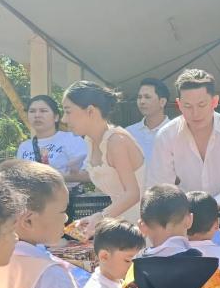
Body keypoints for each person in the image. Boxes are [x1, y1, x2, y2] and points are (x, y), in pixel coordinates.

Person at [148, 69, 220, 204]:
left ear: (215, 101)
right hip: (180, 210)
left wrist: (208, 208)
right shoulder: (166, 136)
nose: (195, 113)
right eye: (187, 106)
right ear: (179, 104)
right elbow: (161, 187)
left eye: (202, 105)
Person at [62, 81, 145, 236]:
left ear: (90, 111)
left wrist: (100, 217)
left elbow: (133, 193)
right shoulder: (90, 140)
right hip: (120, 223)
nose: (64, 119)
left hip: (143, 224)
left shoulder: (116, 141)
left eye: (68, 112)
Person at [16, 94, 86, 185]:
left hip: (68, 193)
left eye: (43, 111)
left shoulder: (72, 139)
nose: (37, 115)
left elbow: (89, 174)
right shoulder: (24, 147)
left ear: (56, 117)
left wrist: (54, 177)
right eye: (32, 111)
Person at [125, 78, 171, 164]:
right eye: (139, 97)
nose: (142, 101)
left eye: (147, 97)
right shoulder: (129, 133)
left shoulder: (175, 132)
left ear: (162, 102)